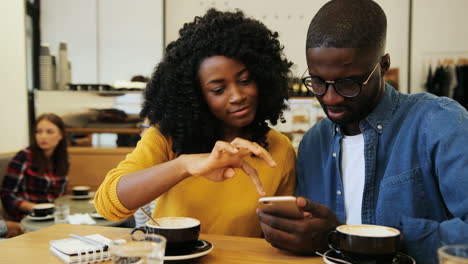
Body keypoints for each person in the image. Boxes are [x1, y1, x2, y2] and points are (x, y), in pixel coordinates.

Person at [257, 0, 468, 263]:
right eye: (318, 82)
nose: (331, 98)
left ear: (383, 65)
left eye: (348, 84)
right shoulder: (314, 143)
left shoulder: (439, 123)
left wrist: (380, 240)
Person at [95, 9, 296, 237]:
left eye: (245, 80)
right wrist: (183, 165)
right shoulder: (167, 137)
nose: (237, 95)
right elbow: (108, 205)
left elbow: (280, 235)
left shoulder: (279, 149)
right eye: (218, 90)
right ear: (196, 95)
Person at [1, 113, 69, 221]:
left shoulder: (63, 159)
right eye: (38, 132)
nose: (43, 136)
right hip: (27, 216)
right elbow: (7, 195)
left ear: (60, 135)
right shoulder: (23, 157)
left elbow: (61, 194)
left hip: (52, 214)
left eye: (49, 132)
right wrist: (36, 208)